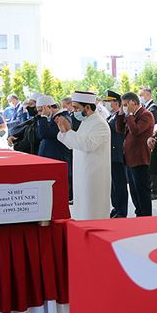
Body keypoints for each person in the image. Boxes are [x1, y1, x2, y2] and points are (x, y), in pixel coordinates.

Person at [56, 91, 111, 220]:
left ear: (87, 107)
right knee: (82, 210)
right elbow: (74, 144)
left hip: (94, 176)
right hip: (83, 173)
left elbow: (88, 145)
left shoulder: (99, 124)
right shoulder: (86, 121)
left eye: (76, 108)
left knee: (92, 211)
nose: (74, 111)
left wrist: (69, 131)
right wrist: (63, 132)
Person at [117, 91, 155, 217]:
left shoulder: (145, 114)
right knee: (134, 190)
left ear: (133, 102)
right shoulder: (131, 115)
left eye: (126, 105)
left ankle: (145, 215)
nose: (125, 107)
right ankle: (139, 213)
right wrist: (121, 115)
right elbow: (120, 130)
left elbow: (136, 131)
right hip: (130, 158)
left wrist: (129, 115)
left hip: (140, 158)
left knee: (141, 190)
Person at [103, 91, 128, 218]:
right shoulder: (111, 116)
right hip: (110, 154)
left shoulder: (120, 115)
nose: (107, 103)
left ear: (117, 103)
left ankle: (121, 210)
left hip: (117, 154)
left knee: (119, 185)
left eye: (109, 101)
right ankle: (116, 207)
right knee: (113, 185)